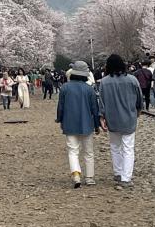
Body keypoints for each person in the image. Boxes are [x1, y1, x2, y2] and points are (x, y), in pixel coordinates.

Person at [99, 54, 143, 189]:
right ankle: (126, 177)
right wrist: (138, 111)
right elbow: (139, 99)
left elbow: (101, 102)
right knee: (128, 148)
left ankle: (118, 172)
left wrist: (102, 117)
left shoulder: (104, 82)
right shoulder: (132, 80)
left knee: (115, 147)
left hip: (112, 119)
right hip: (129, 117)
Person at [56, 61, 100, 188]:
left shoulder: (65, 87)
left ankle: (76, 174)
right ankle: (90, 177)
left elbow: (61, 107)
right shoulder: (89, 89)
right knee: (88, 151)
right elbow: (94, 109)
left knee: (73, 151)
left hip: (69, 123)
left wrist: (59, 119)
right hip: (87, 123)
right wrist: (97, 125)